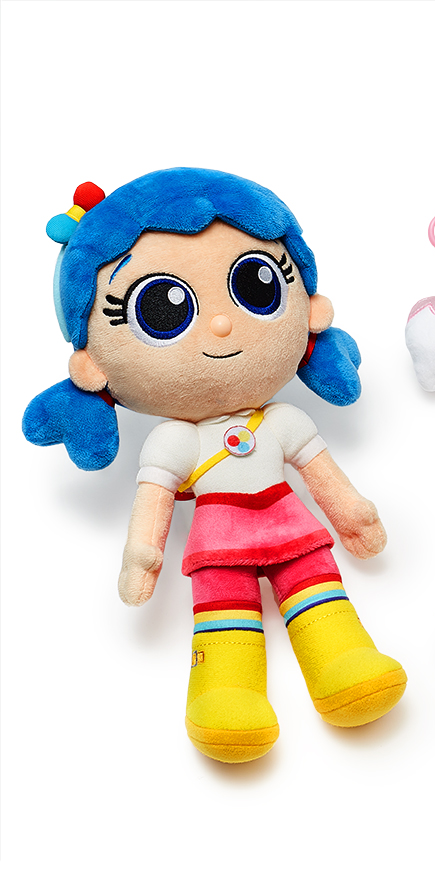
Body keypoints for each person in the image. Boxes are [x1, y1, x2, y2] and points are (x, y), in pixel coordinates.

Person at [24, 169, 406, 763]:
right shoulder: (174, 441)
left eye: (257, 284)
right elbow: (150, 511)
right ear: (93, 364)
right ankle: (225, 694)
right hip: (219, 551)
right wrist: (141, 557)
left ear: (309, 307)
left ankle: (346, 663)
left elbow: (325, 477)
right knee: (224, 625)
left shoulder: (283, 421)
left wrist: (353, 514)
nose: (223, 324)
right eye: (162, 309)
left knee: (326, 604)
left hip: (296, 536)